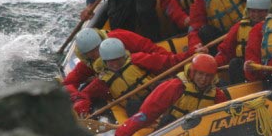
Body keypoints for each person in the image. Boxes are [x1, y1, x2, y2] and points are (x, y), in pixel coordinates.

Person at [109, 54, 227, 136]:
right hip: (173, 135)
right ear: (193, 72)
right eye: (200, 74)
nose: (203, 79)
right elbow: (145, 114)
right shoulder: (175, 87)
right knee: (167, 119)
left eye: (208, 76)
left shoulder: (217, 95)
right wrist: (121, 135)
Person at [72, 38, 200, 121]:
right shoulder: (102, 81)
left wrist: (192, 53)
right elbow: (82, 95)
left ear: (123, 55)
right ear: (105, 62)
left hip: (156, 92)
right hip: (139, 106)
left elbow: (168, 62)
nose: (116, 64)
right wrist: (82, 109)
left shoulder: (137, 60)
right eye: (111, 62)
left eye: (119, 60)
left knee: (169, 86)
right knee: (132, 106)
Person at [62, 27, 193, 97]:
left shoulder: (122, 40)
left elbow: (152, 50)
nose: (97, 55)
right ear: (85, 55)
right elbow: (69, 82)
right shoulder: (89, 63)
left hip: (153, 79)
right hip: (132, 98)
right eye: (91, 54)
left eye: (97, 49)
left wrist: (176, 67)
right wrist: (77, 96)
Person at [214, 0, 271, 84]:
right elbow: (225, 51)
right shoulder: (239, 27)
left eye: (261, 12)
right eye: (253, 11)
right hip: (246, 68)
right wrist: (213, 64)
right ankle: (239, 87)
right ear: (248, 11)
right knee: (235, 63)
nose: (256, 15)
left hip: (265, 68)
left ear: (268, 11)